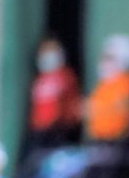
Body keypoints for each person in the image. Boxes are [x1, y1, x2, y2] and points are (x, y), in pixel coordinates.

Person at [21, 35, 83, 165]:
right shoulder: (39, 79)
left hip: (58, 130)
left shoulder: (66, 76)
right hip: (39, 129)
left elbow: (71, 103)